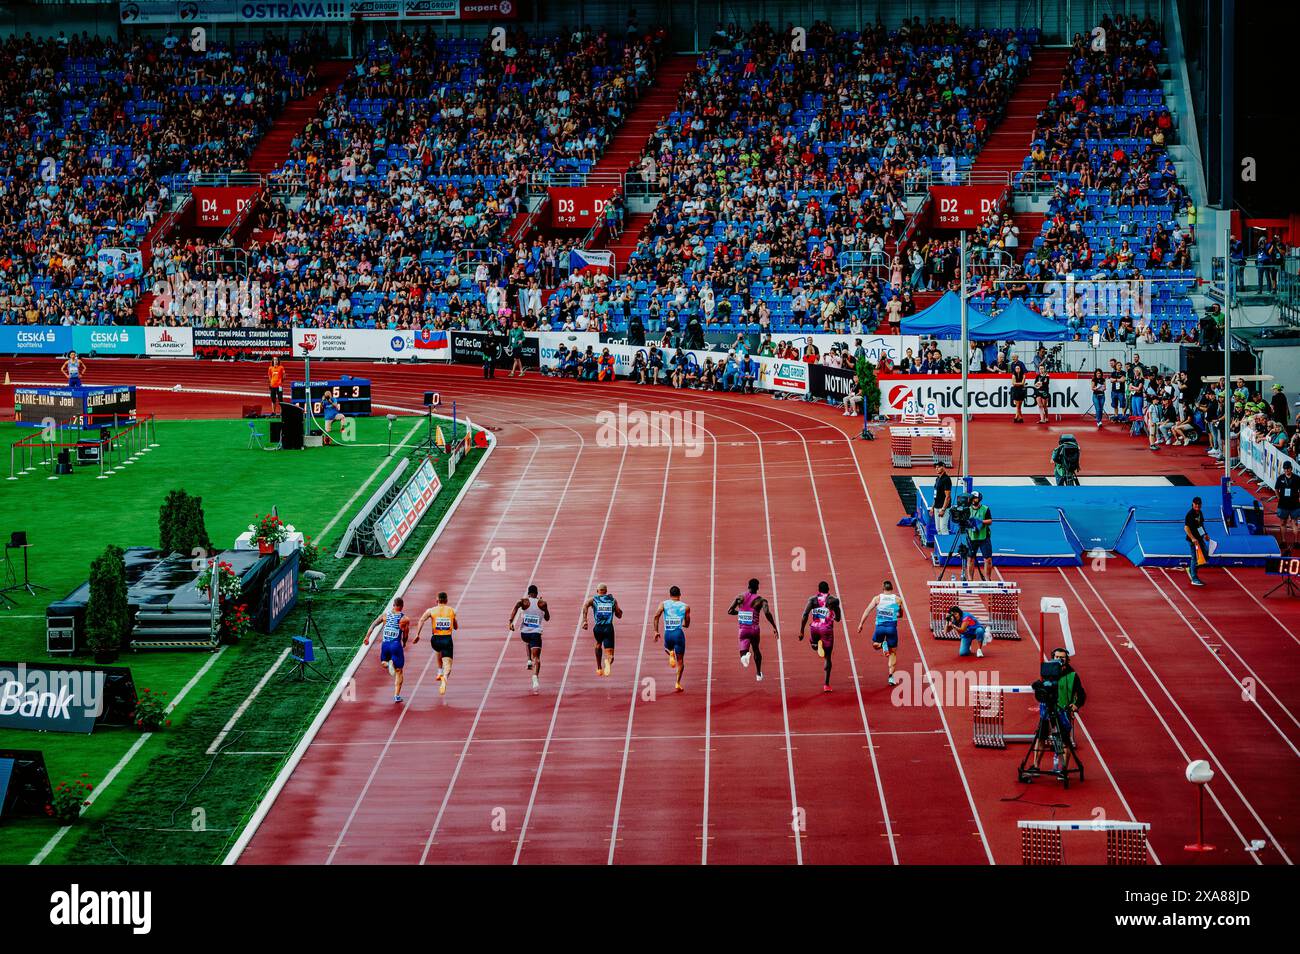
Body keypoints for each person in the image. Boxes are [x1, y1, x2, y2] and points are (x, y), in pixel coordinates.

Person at [1031, 647, 1086, 773]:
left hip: (1063, 712)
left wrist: (1076, 705)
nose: (1059, 659)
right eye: (1057, 657)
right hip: (1047, 710)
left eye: (1062, 657)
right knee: (1040, 737)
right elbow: (1041, 685)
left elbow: (1082, 694)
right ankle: (1035, 766)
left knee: (1065, 741)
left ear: (1067, 660)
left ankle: (1063, 769)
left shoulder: (1073, 675)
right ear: (1053, 657)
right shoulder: (1048, 671)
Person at [727, 577, 778, 682]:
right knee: (756, 649)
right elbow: (767, 613)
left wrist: (740, 613)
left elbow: (730, 611)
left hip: (743, 630)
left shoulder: (740, 598)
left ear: (748, 586)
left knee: (742, 653)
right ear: (757, 587)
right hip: (754, 630)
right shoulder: (761, 600)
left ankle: (744, 656)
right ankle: (758, 673)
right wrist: (774, 626)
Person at [364, 597, 411, 703]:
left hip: (385, 645)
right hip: (395, 645)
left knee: (383, 662)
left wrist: (367, 637)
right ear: (402, 606)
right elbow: (405, 634)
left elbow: (373, 624)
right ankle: (396, 696)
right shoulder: (404, 619)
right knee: (399, 671)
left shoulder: (385, 615)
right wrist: (404, 643)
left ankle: (388, 664)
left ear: (393, 605)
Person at [858, 580, 905, 685]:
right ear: (892, 589)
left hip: (880, 628)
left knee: (875, 645)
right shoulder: (898, 599)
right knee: (893, 653)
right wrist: (893, 614)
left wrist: (861, 623)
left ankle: (882, 644)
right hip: (891, 628)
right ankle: (891, 677)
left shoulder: (877, 598)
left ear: (883, 589)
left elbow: (867, 610)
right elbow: (900, 615)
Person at [799, 581, 842, 692]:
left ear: (818, 590)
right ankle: (826, 684)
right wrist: (833, 614)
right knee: (827, 657)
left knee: (814, 646)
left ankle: (814, 643)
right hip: (826, 629)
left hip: (814, 628)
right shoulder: (833, 600)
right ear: (828, 589)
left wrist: (802, 631)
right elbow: (838, 618)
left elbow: (804, 614)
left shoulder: (812, 600)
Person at [414, 592, 458, 695]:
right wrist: (452, 619)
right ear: (446, 601)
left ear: (437, 601)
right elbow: (456, 627)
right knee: (448, 664)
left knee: (438, 649)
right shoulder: (452, 610)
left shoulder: (431, 610)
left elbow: (421, 620)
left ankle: (439, 671)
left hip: (435, 640)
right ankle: (445, 677)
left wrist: (417, 634)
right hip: (447, 640)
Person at [508, 584, 550, 692]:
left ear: (528, 593)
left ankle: (528, 660)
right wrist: (544, 608)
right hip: (535, 633)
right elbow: (547, 618)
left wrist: (510, 622)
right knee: (537, 657)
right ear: (537, 593)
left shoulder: (523, 602)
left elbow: (515, 608)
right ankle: (535, 677)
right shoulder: (542, 603)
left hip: (524, 634)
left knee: (528, 642)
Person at [653, 585, 690, 693]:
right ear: (680, 595)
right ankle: (677, 682)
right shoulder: (685, 606)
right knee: (680, 661)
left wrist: (656, 631)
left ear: (670, 595)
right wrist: (684, 624)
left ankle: (670, 653)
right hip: (678, 634)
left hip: (667, 633)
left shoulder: (663, 604)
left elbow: (656, 616)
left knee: (667, 648)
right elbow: (687, 623)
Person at [581, 583, 623, 677]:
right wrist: (618, 611)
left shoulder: (593, 599)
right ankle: (607, 661)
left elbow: (585, 606)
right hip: (608, 628)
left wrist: (584, 621)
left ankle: (599, 667)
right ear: (606, 591)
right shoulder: (612, 600)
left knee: (598, 644)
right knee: (610, 655)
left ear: (597, 591)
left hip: (598, 628)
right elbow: (619, 615)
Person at [965, 490, 993, 581]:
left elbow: (990, 521)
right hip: (972, 537)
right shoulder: (967, 509)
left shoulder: (985, 508)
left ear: (979, 499)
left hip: (984, 537)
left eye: (975, 498)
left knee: (987, 559)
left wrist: (980, 522)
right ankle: (970, 580)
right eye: (972, 498)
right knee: (970, 558)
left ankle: (988, 579)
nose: (974, 500)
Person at [1184, 496, 1209, 587]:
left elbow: (1200, 525)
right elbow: (1186, 528)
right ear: (1193, 504)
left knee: (1206, 555)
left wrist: (1205, 534)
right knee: (1194, 558)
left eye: (1199, 504)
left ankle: (1192, 569)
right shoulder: (1190, 514)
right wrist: (1193, 538)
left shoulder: (1200, 513)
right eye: (1196, 504)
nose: (1197, 506)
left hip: (1200, 539)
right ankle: (1194, 578)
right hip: (1193, 541)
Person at [1277, 461, 1300, 552]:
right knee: (1283, 522)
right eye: (1285, 469)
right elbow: (1276, 489)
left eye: (1288, 468)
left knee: (1295, 523)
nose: (1286, 470)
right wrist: (1279, 498)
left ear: (1291, 468)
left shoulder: (1297, 478)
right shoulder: (1280, 478)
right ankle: (1283, 541)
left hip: (1295, 504)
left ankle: (1296, 541)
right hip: (1283, 504)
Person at [932, 461, 953, 536]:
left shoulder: (946, 479)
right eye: (936, 467)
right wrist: (932, 507)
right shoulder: (937, 479)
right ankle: (940, 546)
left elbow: (947, 496)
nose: (937, 469)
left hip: (943, 508)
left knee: (943, 528)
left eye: (939, 467)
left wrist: (943, 509)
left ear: (943, 467)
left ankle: (946, 546)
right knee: (938, 529)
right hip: (936, 507)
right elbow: (935, 495)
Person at [1009, 353, 1027, 422]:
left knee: (1019, 405)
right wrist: (1019, 384)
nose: (1013, 358)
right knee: (1018, 405)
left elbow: (1022, 382)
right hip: (1016, 390)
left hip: (1021, 390)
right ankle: (1020, 417)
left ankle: (1016, 417)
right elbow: (1014, 383)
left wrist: (1018, 383)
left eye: (1014, 357)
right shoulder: (1012, 365)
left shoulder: (1021, 364)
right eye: (1012, 357)